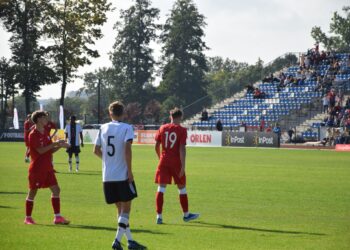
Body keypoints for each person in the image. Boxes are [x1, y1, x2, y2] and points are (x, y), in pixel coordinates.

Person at [93, 101, 146, 250]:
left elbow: (95, 150)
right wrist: (130, 171)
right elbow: (127, 150)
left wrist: (107, 160)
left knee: (120, 209)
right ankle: (116, 241)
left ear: (110, 113)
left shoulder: (102, 127)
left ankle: (130, 241)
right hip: (121, 174)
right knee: (126, 208)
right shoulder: (126, 128)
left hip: (107, 175)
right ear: (123, 113)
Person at [154, 107, 199, 225]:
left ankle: (159, 216)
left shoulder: (162, 128)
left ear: (171, 116)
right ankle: (186, 215)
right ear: (180, 117)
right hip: (176, 163)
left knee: (161, 188)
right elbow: (182, 149)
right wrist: (183, 166)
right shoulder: (182, 130)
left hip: (163, 161)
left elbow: (156, 146)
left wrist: (161, 159)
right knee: (182, 188)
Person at [24, 111, 70, 225]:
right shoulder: (33, 134)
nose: (47, 120)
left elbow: (49, 150)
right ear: (39, 119)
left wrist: (60, 146)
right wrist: (55, 143)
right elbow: (40, 150)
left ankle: (57, 217)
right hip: (37, 169)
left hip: (48, 167)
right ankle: (28, 218)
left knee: (56, 190)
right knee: (32, 192)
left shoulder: (45, 132)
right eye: (45, 118)